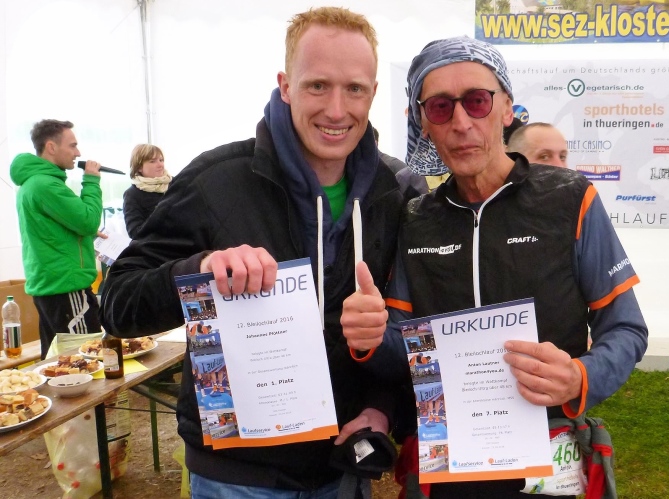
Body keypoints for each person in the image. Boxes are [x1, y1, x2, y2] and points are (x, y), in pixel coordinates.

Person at [99, 7, 412, 498]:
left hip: (342, 468)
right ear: (285, 86)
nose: (336, 110)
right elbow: (117, 303)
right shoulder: (217, 181)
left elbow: (401, 326)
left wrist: (381, 407)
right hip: (237, 476)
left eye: (354, 89)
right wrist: (199, 272)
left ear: (372, 93)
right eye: (317, 86)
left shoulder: (391, 194)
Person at [384, 36, 648, 498]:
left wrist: (580, 377)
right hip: (450, 463)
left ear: (506, 107)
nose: (461, 122)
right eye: (441, 107)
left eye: (477, 101)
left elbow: (626, 327)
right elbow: (398, 344)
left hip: (548, 462)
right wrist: (368, 340)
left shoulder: (569, 198)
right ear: (424, 122)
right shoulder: (416, 219)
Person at [10, 119, 104, 359]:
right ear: (51, 147)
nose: (78, 153)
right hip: (67, 287)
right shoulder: (46, 185)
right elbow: (88, 220)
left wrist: (85, 235)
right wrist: (91, 180)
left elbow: (53, 230)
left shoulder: (33, 183)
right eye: (72, 145)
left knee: (57, 362)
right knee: (85, 360)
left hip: (52, 286)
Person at [395, 116, 524, 201]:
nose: (462, 126)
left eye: (478, 102)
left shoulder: (531, 191)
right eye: (441, 107)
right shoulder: (408, 179)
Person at [123, 143, 172, 238]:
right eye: (152, 161)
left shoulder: (175, 183)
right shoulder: (132, 194)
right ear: (139, 167)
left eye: (161, 160)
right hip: (157, 244)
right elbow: (135, 232)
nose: (160, 165)